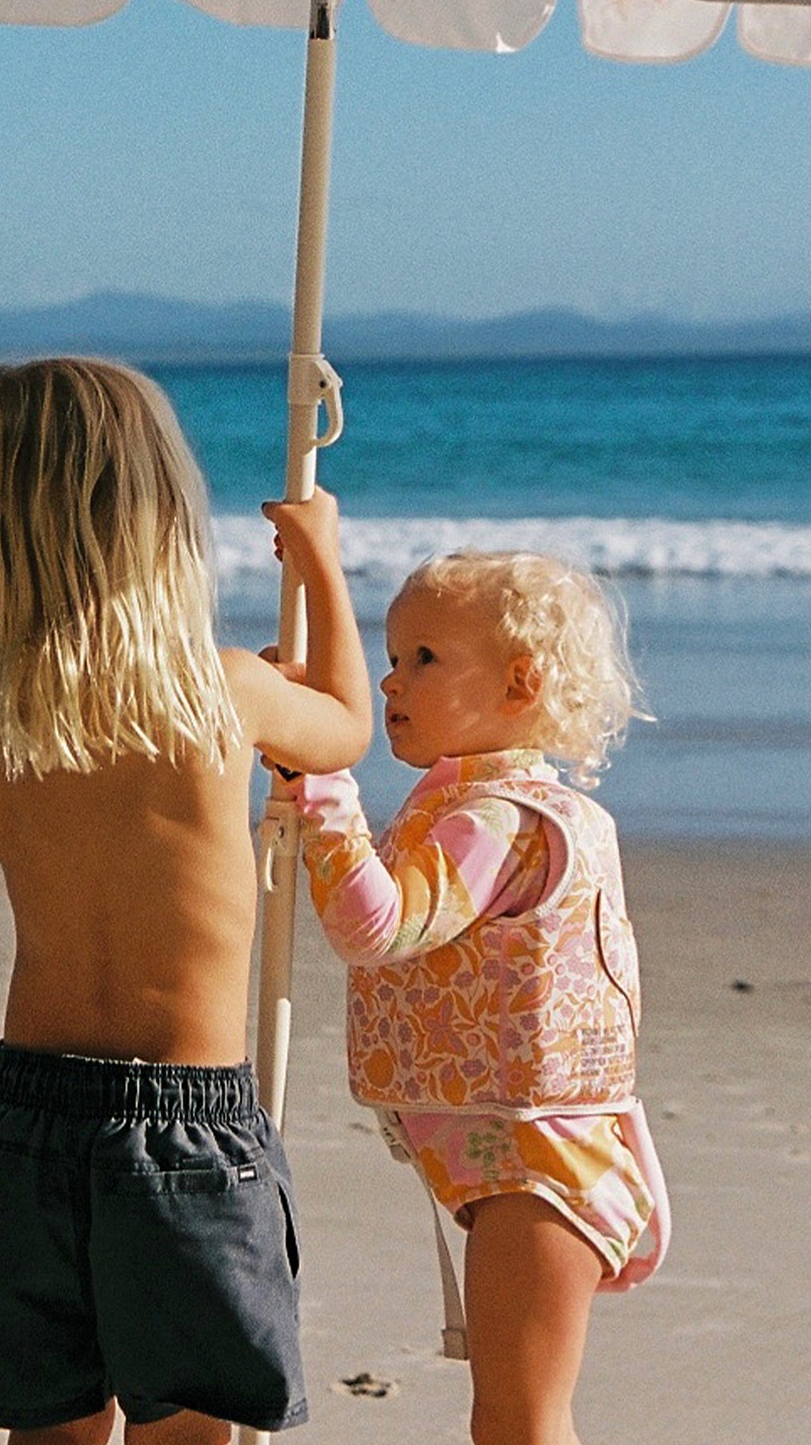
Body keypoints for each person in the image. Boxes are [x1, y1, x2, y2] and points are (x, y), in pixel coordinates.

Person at [0, 358, 374, 1445]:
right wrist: (321, 561)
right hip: (182, 1132)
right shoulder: (222, 692)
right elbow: (345, 726)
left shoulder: (3, 715)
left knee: (48, 1429)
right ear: (158, 514)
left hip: (25, 1125)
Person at [283, 550, 670, 1445]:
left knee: (519, 1421)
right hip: (517, 1159)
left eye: (425, 658)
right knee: (512, 1419)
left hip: (544, 1168)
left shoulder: (500, 820)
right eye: (392, 656)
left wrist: (325, 789)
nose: (391, 680)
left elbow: (376, 926)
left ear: (519, 683)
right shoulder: (472, 806)